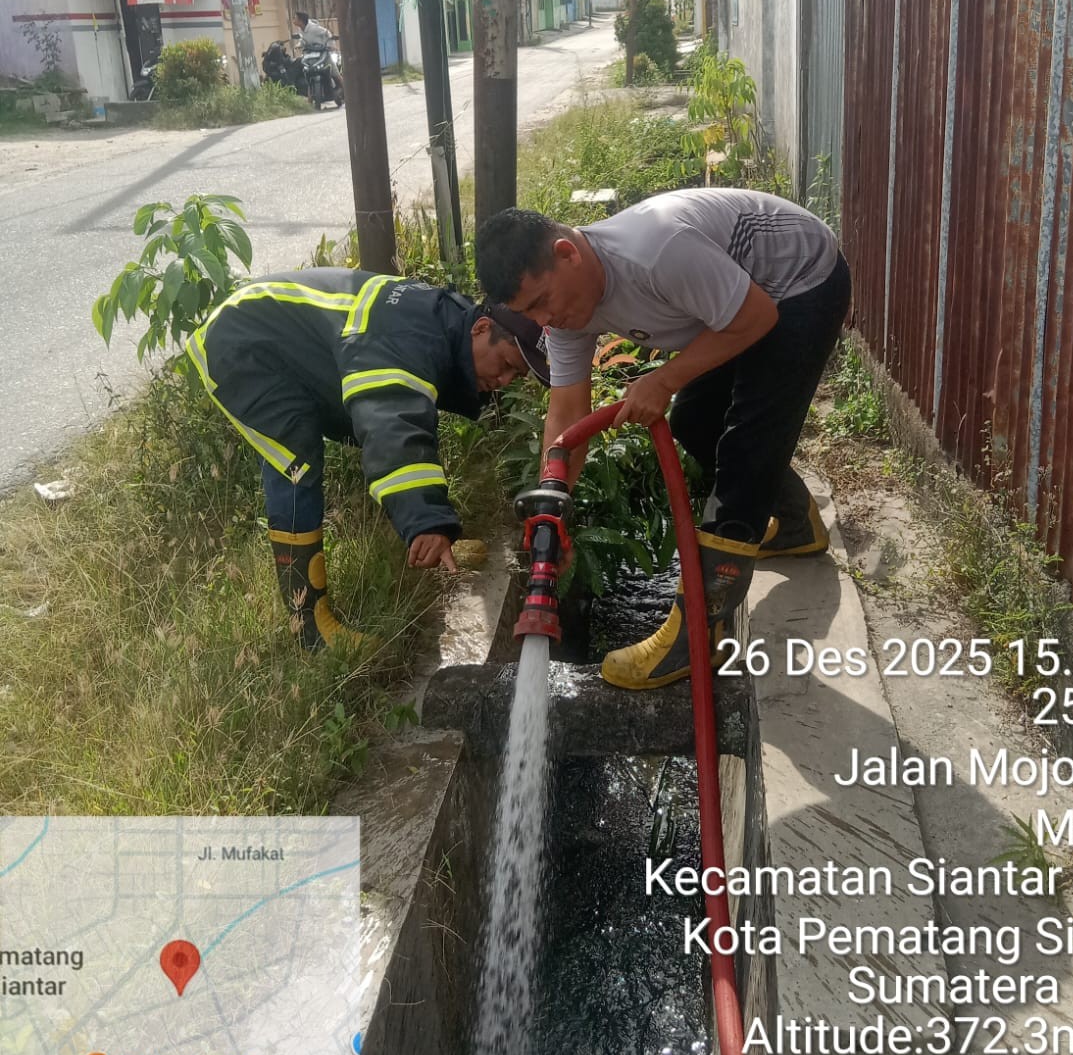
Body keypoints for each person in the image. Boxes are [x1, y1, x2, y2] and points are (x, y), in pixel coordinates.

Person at [476, 190, 851, 690]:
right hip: (741, 300)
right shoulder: (568, 312)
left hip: (800, 281)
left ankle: (698, 633)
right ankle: (796, 525)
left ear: (567, 252)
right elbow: (567, 414)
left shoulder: (656, 251)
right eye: (530, 312)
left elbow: (757, 318)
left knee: (746, 448)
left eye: (543, 301)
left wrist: (664, 379)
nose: (544, 321)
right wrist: (554, 505)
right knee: (695, 422)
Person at [186, 270, 549, 652]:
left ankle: (422, 537)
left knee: (381, 430)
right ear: (481, 328)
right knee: (296, 460)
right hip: (243, 346)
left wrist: (429, 519)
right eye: (507, 363)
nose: (505, 380)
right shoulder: (405, 340)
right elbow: (393, 425)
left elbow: (411, 412)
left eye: (516, 374)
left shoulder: (448, 321)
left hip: (290, 342)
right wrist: (427, 520)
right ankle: (309, 628)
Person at [293, 10, 342, 97]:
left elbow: (327, 33)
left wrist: (330, 45)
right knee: (308, 73)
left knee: (335, 74)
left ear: (301, 20)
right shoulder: (301, 30)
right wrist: (299, 45)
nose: (294, 20)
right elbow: (303, 40)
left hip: (322, 53)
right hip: (310, 54)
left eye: (295, 18)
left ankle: (347, 93)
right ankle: (310, 98)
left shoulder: (314, 28)